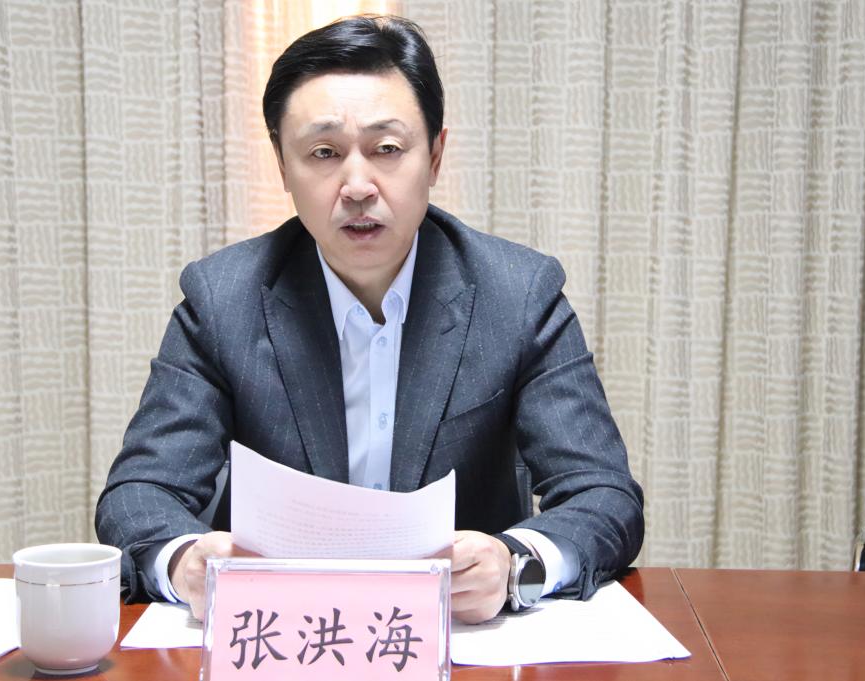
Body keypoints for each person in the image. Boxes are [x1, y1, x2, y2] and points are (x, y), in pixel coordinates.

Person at [95, 14, 643, 625]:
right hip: (283, 635)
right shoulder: (223, 299)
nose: (357, 186)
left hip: (458, 638)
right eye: (323, 153)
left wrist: (516, 563)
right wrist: (184, 562)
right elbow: (140, 493)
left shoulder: (517, 294)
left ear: (435, 156)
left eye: (387, 150)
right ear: (283, 165)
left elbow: (602, 493)